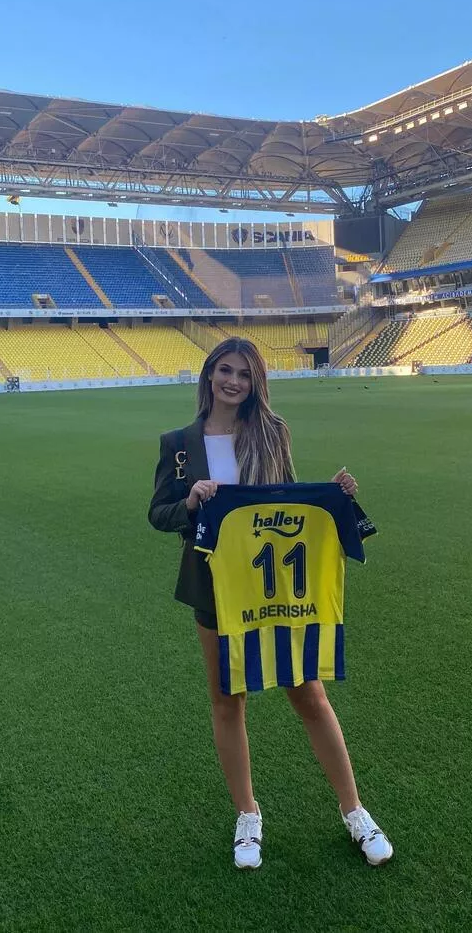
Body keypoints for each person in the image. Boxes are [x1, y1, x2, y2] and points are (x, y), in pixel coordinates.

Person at [148, 337, 392, 870]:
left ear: (256, 382)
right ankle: (247, 814)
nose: (233, 382)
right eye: (225, 370)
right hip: (213, 587)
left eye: (244, 374)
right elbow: (159, 513)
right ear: (209, 375)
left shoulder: (272, 431)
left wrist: (333, 494)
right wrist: (190, 501)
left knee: (309, 693)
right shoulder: (180, 445)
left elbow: (289, 499)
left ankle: (354, 810)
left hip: (273, 585)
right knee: (226, 700)